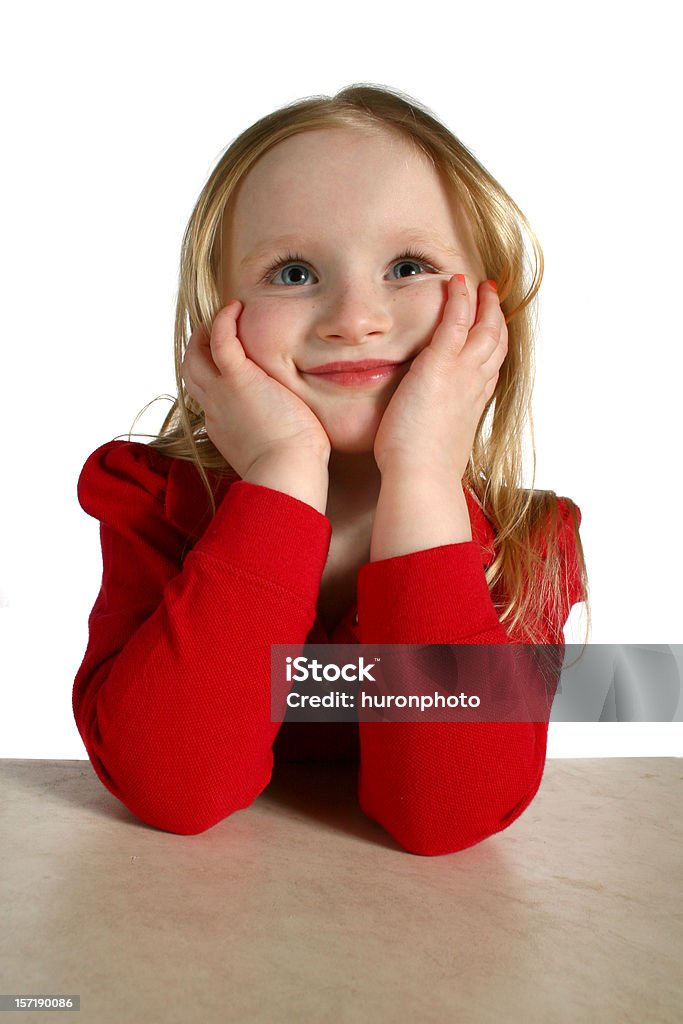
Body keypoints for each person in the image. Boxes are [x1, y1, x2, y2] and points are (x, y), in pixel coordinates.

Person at [73, 83, 590, 856]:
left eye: (408, 265)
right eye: (292, 273)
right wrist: (281, 474)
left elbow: (445, 817)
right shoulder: (152, 500)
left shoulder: (531, 543)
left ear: (489, 313)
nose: (354, 318)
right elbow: (175, 787)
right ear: (219, 312)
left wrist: (420, 477)